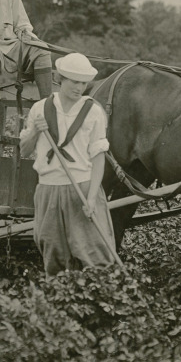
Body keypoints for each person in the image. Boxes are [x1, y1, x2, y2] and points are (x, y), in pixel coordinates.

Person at [19, 52, 123, 274]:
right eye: (74, 82)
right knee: (53, 254)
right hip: (48, 189)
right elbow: (25, 150)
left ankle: (99, 299)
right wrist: (35, 131)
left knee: (96, 253)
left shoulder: (93, 112)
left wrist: (93, 197)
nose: (79, 88)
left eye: (84, 83)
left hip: (82, 187)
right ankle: (60, 301)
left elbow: (98, 157)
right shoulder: (40, 109)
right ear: (60, 79)